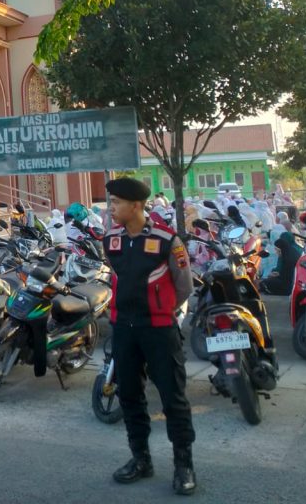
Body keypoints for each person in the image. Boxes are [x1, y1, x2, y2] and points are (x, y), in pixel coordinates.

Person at [103, 177, 196, 496]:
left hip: (158, 330)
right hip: (123, 329)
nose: (111, 208)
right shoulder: (111, 238)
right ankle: (140, 458)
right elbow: (116, 277)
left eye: (116, 203)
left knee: (173, 398)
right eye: (111, 202)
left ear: (137, 205)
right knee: (129, 395)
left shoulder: (167, 239)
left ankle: (184, 465)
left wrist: (161, 309)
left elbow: (184, 285)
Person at [260, 228, 302, 295]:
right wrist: (277, 274)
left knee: (264, 283)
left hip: (288, 287)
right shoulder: (290, 251)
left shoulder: (287, 259)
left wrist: (275, 276)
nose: (276, 253)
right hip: (291, 281)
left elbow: (286, 280)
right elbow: (285, 273)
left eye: (277, 250)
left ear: (281, 249)